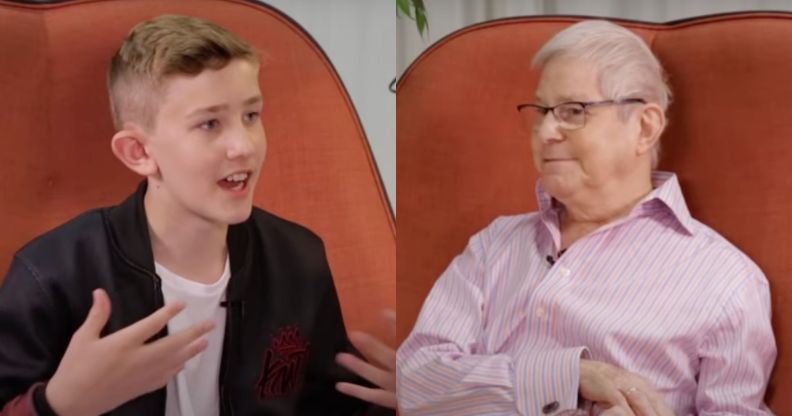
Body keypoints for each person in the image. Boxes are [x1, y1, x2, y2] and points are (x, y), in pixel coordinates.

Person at [0, 14, 395, 416]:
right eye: (209, 123)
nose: (243, 145)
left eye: (251, 116)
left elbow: (330, 406)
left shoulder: (299, 259)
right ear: (139, 153)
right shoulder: (50, 275)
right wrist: (57, 407)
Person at [397, 20, 776, 415]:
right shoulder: (495, 245)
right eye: (541, 111)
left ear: (644, 128)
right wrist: (571, 375)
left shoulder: (727, 283)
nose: (545, 132)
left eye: (573, 111)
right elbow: (415, 382)